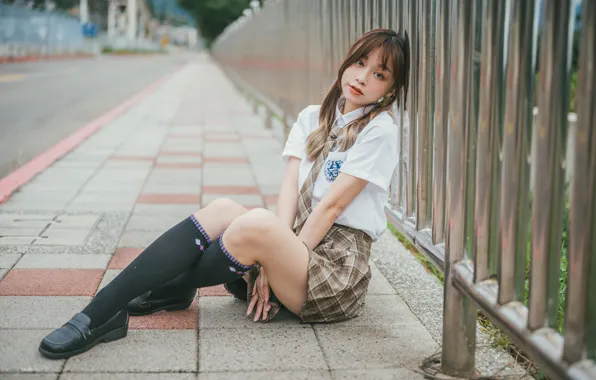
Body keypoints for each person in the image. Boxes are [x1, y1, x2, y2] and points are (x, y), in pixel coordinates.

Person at [38, 28, 410, 359]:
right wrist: (274, 256)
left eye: (379, 74)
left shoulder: (380, 130)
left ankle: (171, 288)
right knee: (223, 209)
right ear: (346, 62)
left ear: (390, 88)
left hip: (333, 274)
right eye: (360, 63)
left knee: (257, 225)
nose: (362, 77)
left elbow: (331, 206)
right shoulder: (314, 116)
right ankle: (103, 311)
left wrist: (272, 258)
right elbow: (289, 191)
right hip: (299, 248)